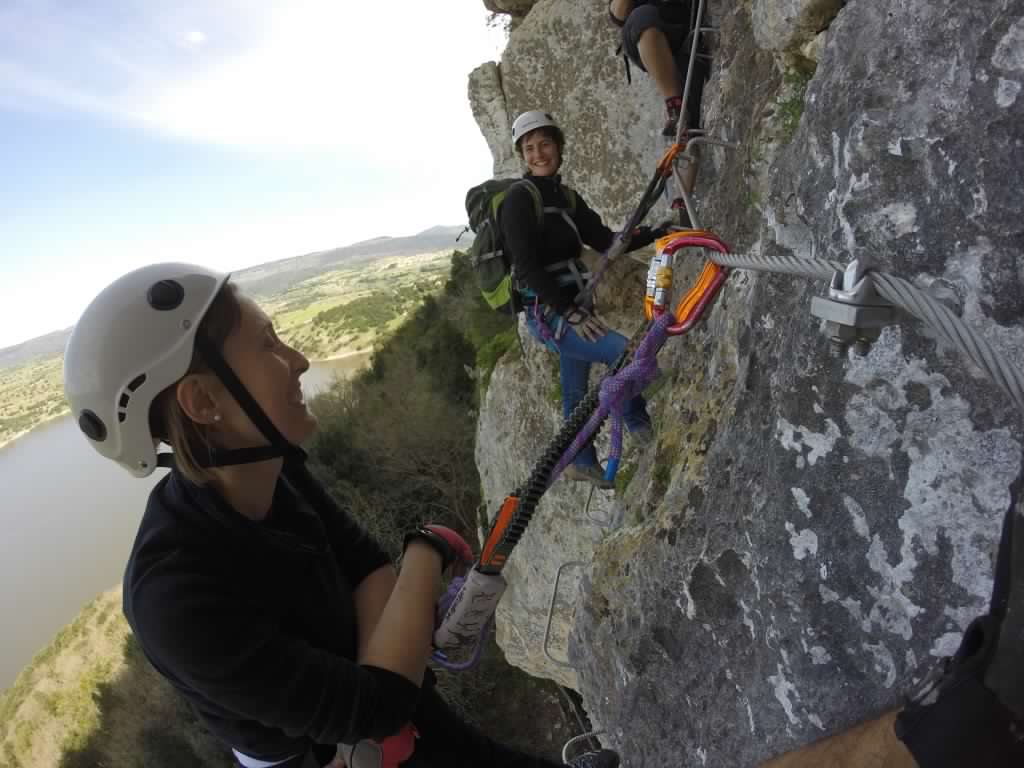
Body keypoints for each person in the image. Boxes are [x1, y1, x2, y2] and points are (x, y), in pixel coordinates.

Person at [62, 264, 620, 768]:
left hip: (387, 712)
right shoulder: (172, 598)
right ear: (204, 402)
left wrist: (383, 674)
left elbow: (368, 572)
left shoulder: (273, 470)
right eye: (268, 346)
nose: (298, 361)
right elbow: (376, 703)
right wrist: (426, 548)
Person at [499, 111, 662, 490]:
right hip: (551, 314)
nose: (539, 153)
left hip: (576, 308)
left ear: (558, 146)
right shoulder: (518, 200)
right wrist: (569, 313)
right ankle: (642, 428)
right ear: (523, 156)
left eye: (545, 144)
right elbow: (527, 267)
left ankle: (582, 461)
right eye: (529, 148)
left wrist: (657, 232)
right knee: (623, 354)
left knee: (575, 392)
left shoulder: (568, 198)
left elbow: (606, 241)